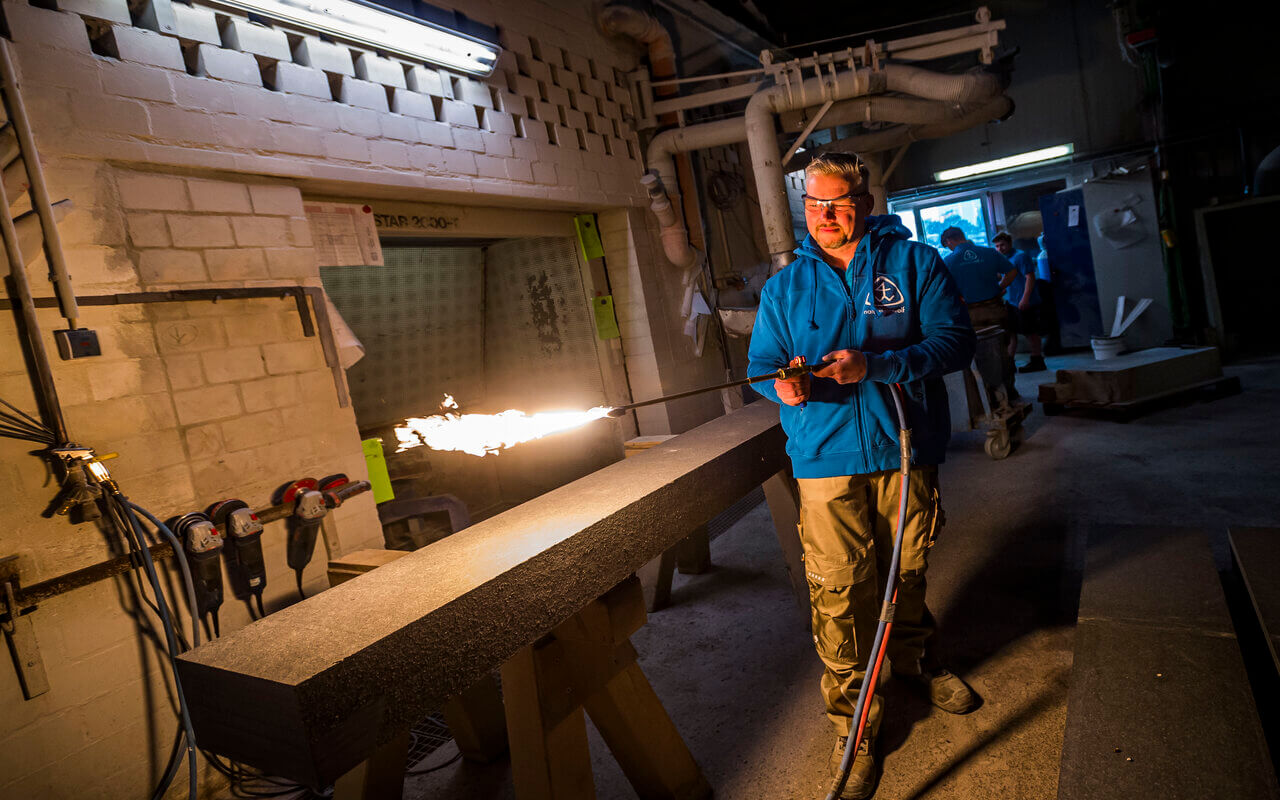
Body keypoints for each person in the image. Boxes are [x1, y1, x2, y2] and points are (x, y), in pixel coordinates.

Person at [748, 153, 977, 800]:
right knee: (840, 592)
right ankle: (856, 727)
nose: (824, 216)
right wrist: (782, 386)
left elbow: (956, 343)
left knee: (907, 570)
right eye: (814, 204)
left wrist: (875, 366)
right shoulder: (785, 288)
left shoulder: (915, 264)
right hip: (825, 457)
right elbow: (762, 365)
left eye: (838, 203)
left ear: (865, 203)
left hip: (905, 448)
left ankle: (916, 661)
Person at [940, 227, 1019, 400]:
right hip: (995, 309)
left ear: (949, 241)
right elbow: (1012, 271)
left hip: (970, 315)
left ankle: (990, 395)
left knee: (980, 354)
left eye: (947, 245)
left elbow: (945, 291)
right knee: (1003, 350)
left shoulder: (948, 261)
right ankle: (1010, 391)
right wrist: (1000, 288)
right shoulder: (989, 253)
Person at [993, 232, 1047, 372]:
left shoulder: (1020, 256)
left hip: (1025, 302)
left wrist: (1025, 298)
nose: (1000, 249)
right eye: (997, 246)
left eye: (1002, 245)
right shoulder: (1005, 259)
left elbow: (1030, 277)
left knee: (1030, 332)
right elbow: (1007, 280)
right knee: (1011, 332)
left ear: (1010, 243)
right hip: (1011, 301)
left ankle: (1037, 360)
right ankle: (1010, 363)